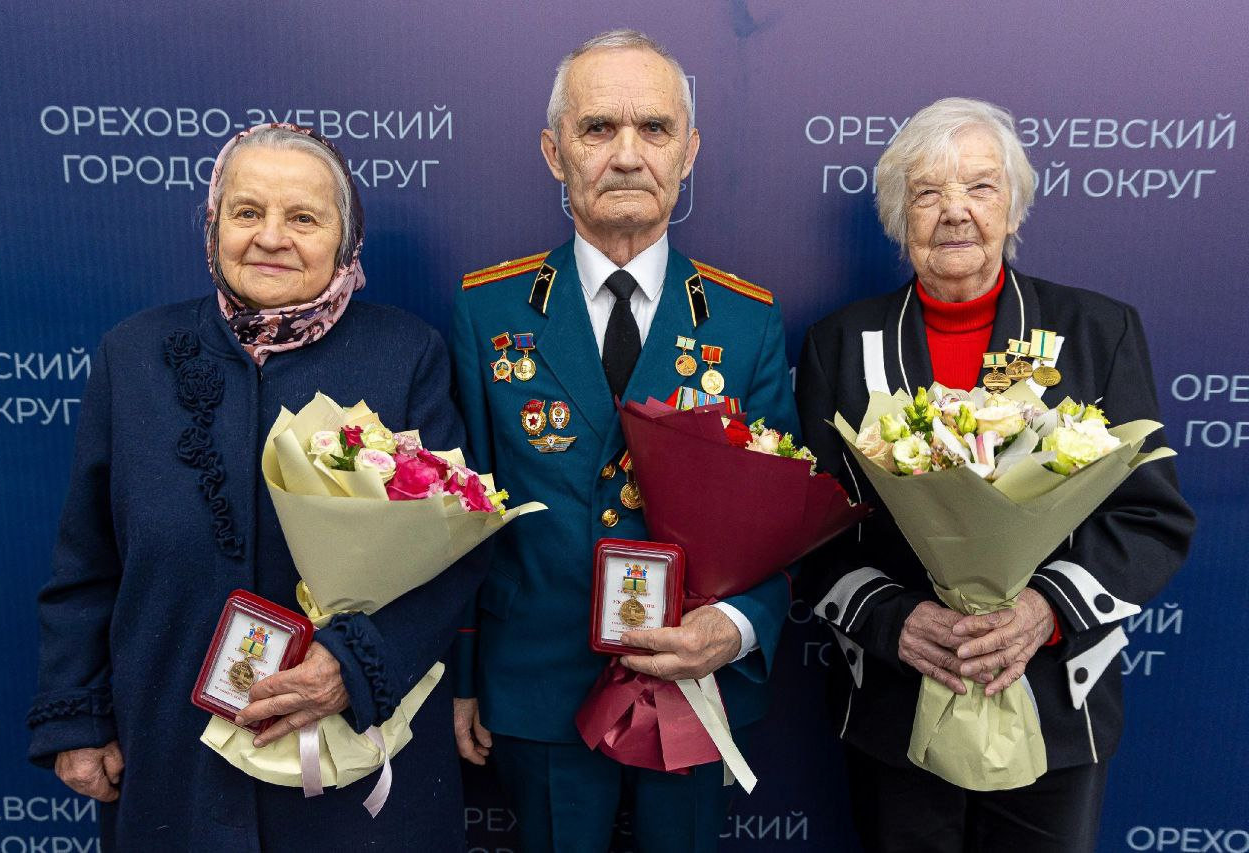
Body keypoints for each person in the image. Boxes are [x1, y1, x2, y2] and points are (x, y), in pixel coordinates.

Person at [26, 123, 486, 849]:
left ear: (346, 237)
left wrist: (354, 665)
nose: (271, 237)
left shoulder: (406, 355)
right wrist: (77, 720)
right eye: (247, 212)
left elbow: (456, 552)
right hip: (172, 753)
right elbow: (88, 562)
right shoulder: (133, 355)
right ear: (213, 225)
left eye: (303, 217)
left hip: (353, 758)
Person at [795, 97, 1196, 852]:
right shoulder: (839, 344)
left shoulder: (1097, 331)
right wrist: (896, 620)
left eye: (980, 187)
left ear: (1013, 207)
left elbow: (1151, 518)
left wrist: (1045, 610)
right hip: (896, 704)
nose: (955, 211)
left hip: (1055, 702)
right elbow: (809, 532)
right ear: (899, 218)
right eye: (928, 192)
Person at [450, 29, 798, 852]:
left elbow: (783, 523)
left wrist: (735, 627)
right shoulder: (487, 311)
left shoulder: (746, 321)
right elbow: (461, 520)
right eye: (598, 128)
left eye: (655, 128)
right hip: (540, 680)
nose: (628, 154)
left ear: (689, 152)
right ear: (554, 151)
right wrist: (464, 674)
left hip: (695, 681)